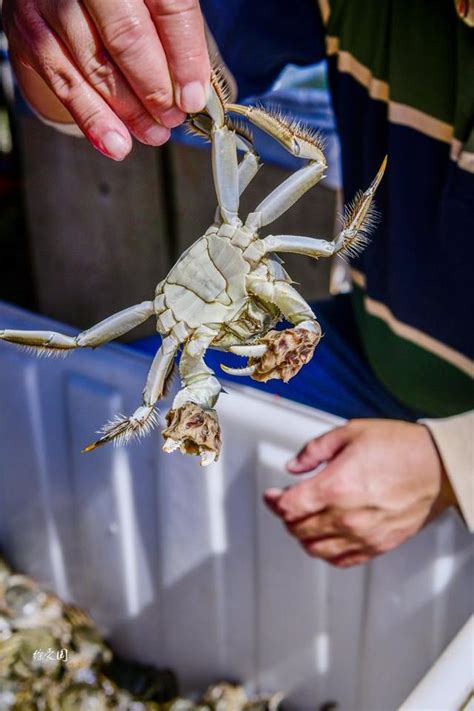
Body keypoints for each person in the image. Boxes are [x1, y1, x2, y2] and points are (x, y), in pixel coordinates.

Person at [3, 0, 473, 567]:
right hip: (375, 350)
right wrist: (70, 40)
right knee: (102, 407)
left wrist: (452, 463)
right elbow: (163, 68)